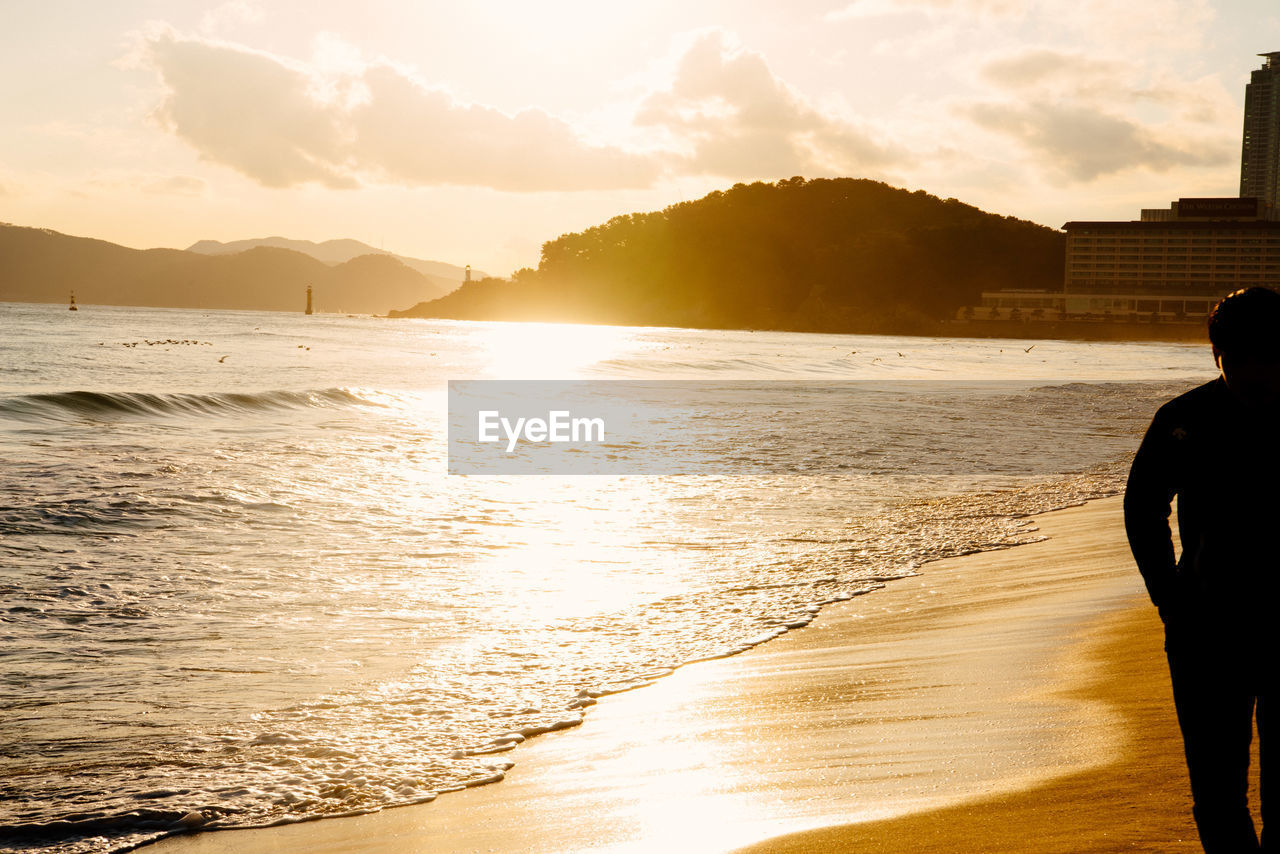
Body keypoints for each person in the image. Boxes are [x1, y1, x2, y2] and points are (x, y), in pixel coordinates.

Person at [1125, 286, 1280, 853]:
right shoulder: (1184, 419)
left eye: (1266, 357)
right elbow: (1142, 506)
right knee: (1218, 795)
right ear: (1217, 355)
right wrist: (1169, 596)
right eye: (1237, 359)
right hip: (1206, 626)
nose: (1252, 373)